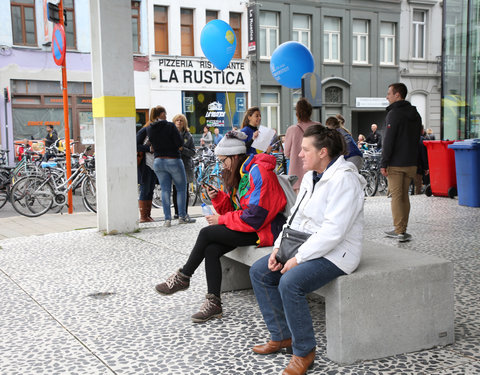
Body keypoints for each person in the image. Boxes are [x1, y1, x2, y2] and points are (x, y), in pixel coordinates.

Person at [249, 125, 365, 375]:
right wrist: (279, 249)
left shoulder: (344, 179)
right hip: (307, 245)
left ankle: (304, 351)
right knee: (260, 271)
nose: (298, 154)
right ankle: (281, 336)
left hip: (338, 252)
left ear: (323, 152)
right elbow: (294, 220)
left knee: (290, 282)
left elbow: (334, 233)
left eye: (304, 149)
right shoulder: (312, 177)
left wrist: (298, 259)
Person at [154, 130, 287, 323]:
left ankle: (184, 276)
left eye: (223, 160)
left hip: (266, 230)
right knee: (212, 248)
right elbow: (236, 209)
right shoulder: (242, 172)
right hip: (253, 227)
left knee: (207, 233)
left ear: (235, 157)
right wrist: (218, 198)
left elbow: (255, 217)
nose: (222, 165)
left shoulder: (259, 172)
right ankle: (213, 302)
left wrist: (221, 220)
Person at [381, 83, 422, 242]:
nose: (387, 96)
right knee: (405, 196)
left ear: (397, 95)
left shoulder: (394, 114)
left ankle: (399, 231)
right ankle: (402, 229)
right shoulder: (415, 114)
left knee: (397, 197)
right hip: (411, 162)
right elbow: (417, 139)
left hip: (396, 164)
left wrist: (384, 163)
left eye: (389, 93)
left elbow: (388, 141)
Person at [147, 106, 195, 227]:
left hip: (158, 161)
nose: (167, 115)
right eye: (166, 113)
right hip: (173, 160)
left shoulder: (150, 128)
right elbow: (179, 143)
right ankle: (182, 216)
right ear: (162, 114)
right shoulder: (170, 126)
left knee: (165, 190)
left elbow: (151, 144)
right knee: (181, 189)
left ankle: (167, 219)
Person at [284, 98, 321, 192]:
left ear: (297, 114)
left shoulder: (292, 130)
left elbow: (286, 153)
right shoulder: (318, 127)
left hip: (297, 177)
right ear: (310, 112)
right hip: (316, 173)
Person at [172, 114, 196, 221]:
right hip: (174, 165)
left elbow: (193, 152)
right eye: (177, 120)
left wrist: (183, 150)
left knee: (184, 190)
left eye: (181, 120)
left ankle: (184, 212)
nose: (179, 122)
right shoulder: (170, 134)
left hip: (185, 166)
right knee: (175, 190)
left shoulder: (188, 136)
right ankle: (177, 212)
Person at [137, 108, 159, 223]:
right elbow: (135, 145)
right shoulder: (145, 130)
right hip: (145, 164)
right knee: (145, 189)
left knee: (150, 189)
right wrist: (148, 148)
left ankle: (148, 215)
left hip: (155, 164)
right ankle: (143, 216)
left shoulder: (157, 131)